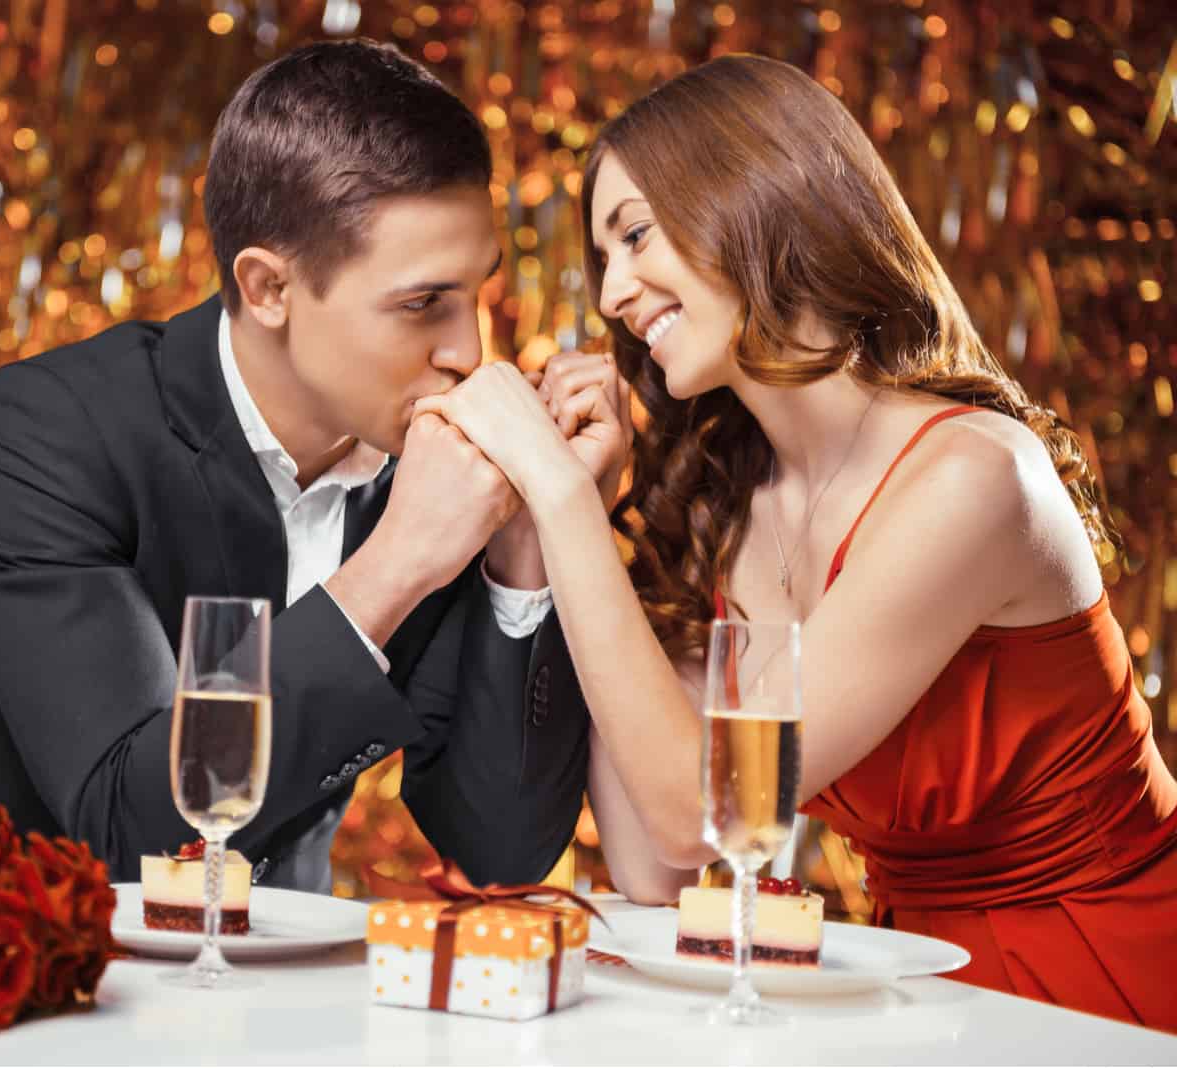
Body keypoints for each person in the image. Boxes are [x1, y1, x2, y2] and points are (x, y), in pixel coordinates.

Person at [418, 54, 1177, 1030]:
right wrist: (595, 510)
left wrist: (560, 498)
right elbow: (666, 861)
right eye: (602, 259)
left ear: (755, 197)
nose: (610, 295)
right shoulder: (730, 501)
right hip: (923, 993)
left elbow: (691, 808)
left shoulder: (972, 478)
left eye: (636, 236)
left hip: (1111, 986)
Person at [0, 40, 618, 894]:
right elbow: (129, 833)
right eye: (421, 304)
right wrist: (397, 565)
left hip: (284, 1006)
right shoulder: (45, 431)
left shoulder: (431, 471)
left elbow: (499, 851)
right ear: (267, 289)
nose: (468, 350)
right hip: (32, 985)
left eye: (475, 293)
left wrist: (524, 555)